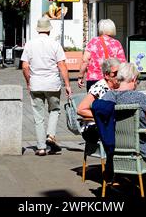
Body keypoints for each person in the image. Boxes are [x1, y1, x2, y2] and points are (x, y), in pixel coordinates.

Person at [21, 17, 72, 156]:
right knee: (55, 110)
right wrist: (67, 84)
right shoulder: (55, 44)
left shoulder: (30, 44)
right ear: (49, 30)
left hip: (36, 84)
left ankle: (41, 147)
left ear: (38, 30)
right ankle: (51, 135)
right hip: (52, 84)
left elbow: (25, 66)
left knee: (38, 116)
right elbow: (62, 65)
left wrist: (28, 81)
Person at [102, 63, 146, 157]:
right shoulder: (140, 98)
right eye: (137, 80)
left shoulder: (107, 96)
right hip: (139, 145)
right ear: (133, 79)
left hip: (114, 144)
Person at [77, 58, 122, 142]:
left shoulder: (120, 86)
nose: (119, 76)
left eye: (120, 73)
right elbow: (81, 110)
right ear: (107, 75)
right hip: (94, 128)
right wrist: (102, 117)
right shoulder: (99, 87)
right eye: (115, 73)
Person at [77, 19, 126, 92]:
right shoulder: (116, 43)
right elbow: (122, 63)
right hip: (111, 80)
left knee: (94, 101)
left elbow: (85, 60)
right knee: (110, 102)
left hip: (94, 79)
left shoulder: (93, 42)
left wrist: (80, 76)